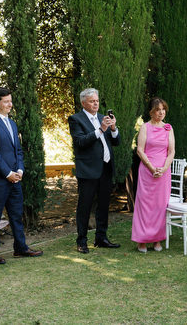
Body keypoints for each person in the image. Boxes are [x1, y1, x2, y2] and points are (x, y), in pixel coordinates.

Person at [0, 88, 43, 264]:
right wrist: (8, 174)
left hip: (15, 180)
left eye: (10, 100)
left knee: (16, 215)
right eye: (6, 101)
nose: (10, 104)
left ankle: (20, 248)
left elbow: (18, 151)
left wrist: (19, 171)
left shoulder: (12, 124)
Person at [68, 88, 121, 253]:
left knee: (104, 206)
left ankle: (101, 238)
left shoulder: (101, 118)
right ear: (84, 103)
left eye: (97, 100)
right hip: (88, 170)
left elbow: (116, 142)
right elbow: (80, 142)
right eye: (92, 101)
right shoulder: (76, 119)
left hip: (105, 168)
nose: (96, 103)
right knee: (84, 207)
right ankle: (81, 241)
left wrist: (113, 129)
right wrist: (101, 130)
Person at [132, 97, 175, 253]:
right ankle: (142, 241)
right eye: (158, 109)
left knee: (159, 206)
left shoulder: (168, 128)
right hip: (147, 171)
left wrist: (163, 169)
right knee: (145, 205)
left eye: (163, 109)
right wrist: (151, 168)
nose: (161, 112)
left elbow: (172, 151)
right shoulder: (145, 127)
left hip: (163, 173)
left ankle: (157, 240)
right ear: (151, 111)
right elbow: (140, 150)